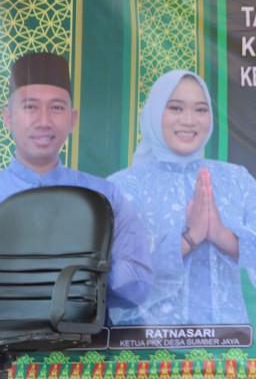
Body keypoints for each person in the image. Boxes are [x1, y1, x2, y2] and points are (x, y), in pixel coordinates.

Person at [107, 70, 256, 326]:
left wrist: (223, 236)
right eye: (175, 108)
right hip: (146, 345)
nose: (189, 121)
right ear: (154, 113)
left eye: (200, 110)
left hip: (226, 343)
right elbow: (117, 275)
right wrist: (190, 238)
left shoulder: (235, 179)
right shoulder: (122, 187)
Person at [0, 51, 152, 312]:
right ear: (7, 119)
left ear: (72, 120)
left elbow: (138, 284)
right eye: (30, 107)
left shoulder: (104, 197)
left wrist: (85, 273)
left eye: (56, 108)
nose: (44, 121)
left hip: (83, 336)